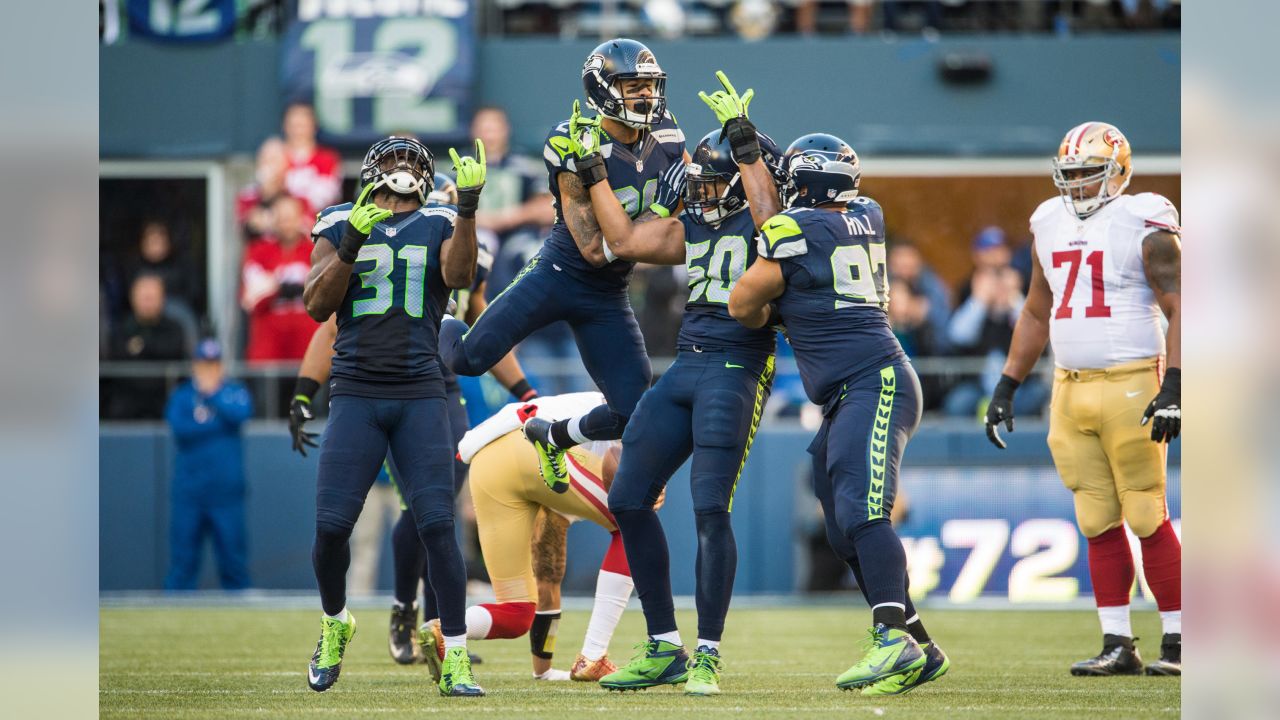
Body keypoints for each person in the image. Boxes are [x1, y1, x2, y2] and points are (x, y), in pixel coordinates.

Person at [558, 71, 782, 695]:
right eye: (701, 185)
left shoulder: (770, 225)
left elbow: (770, 219)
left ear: (743, 180)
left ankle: (707, 653)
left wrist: (745, 146)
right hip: (687, 364)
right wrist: (593, 170)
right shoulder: (698, 226)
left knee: (710, 506)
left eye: (718, 185)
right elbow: (622, 239)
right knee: (628, 496)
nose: (706, 197)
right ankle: (665, 645)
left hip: (738, 367)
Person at [729, 133, 949, 695]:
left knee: (863, 513)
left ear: (804, 184)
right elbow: (810, 249)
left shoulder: (793, 230)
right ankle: (920, 644)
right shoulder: (868, 213)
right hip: (856, 388)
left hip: (871, 384)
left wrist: (775, 310)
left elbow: (740, 303)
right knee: (839, 523)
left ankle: (890, 638)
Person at [289, 171, 537, 666]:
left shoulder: (455, 235)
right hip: (364, 386)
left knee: (436, 517)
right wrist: (304, 390)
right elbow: (326, 317)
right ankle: (398, 609)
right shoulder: (355, 229)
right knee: (351, 522)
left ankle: (446, 637)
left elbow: (480, 316)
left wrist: (525, 390)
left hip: (432, 385)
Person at [438, 38, 688, 488]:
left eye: (649, 85)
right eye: (632, 85)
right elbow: (594, 247)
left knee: (634, 413)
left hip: (608, 292)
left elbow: (682, 204)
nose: (645, 95)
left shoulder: (668, 133)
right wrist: (661, 213)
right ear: (603, 88)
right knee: (468, 358)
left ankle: (552, 436)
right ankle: (435, 315)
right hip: (559, 274)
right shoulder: (572, 139)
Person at [983, 122, 1182, 677]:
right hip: (1070, 385)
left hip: (1133, 380)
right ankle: (1118, 642)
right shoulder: (1047, 221)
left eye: (1087, 173)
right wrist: (1008, 384)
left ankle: (1181, 640)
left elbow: (1183, 301)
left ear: (1118, 170)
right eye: (1068, 174)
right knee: (1095, 517)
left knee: (1146, 511)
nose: (1076, 184)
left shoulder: (1143, 217)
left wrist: (1177, 384)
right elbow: (1035, 310)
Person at [300, 134, 487, 696]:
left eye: (414, 160)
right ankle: (336, 623)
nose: (403, 168)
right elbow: (314, 305)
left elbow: (457, 278)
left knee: (437, 526)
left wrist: (470, 207)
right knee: (331, 529)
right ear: (370, 171)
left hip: (420, 393)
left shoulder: (441, 219)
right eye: (394, 159)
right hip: (356, 392)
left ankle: (453, 652)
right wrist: (352, 240)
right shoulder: (337, 220)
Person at [418, 392, 640, 683]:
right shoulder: (633, 419)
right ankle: (594, 655)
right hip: (537, 442)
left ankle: (443, 629)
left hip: (489, 461)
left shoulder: (608, 410)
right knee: (635, 527)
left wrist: (544, 671)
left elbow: (548, 566)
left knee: (516, 613)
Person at [163, 338, 253, 590]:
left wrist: (213, 395)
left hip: (226, 493)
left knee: (234, 564)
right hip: (190, 492)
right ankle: (172, 622)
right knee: (182, 564)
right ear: (194, 365)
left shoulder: (233, 392)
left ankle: (242, 623)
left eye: (213, 364)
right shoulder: (182, 396)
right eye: (204, 364)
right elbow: (180, 429)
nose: (209, 370)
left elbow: (241, 414)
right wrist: (217, 426)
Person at [242, 194, 318, 362]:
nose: (286, 224)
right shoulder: (258, 251)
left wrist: (275, 285)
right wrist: (299, 287)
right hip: (267, 352)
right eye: (282, 218)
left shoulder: (316, 250)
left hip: (309, 351)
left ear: (300, 218)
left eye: (290, 218)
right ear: (273, 220)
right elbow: (252, 299)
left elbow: (324, 294)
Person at [106, 274, 188, 419]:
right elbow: (117, 354)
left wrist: (143, 346)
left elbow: (173, 350)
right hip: (127, 400)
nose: (148, 303)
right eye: (144, 297)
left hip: (163, 397)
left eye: (152, 297)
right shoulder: (122, 328)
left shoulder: (174, 327)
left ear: (163, 298)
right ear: (133, 298)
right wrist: (154, 349)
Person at [282, 102, 342, 214]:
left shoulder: (327, 159)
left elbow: (322, 198)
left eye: (302, 126)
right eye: (293, 126)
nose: (297, 132)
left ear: (313, 127)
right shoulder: (277, 157)